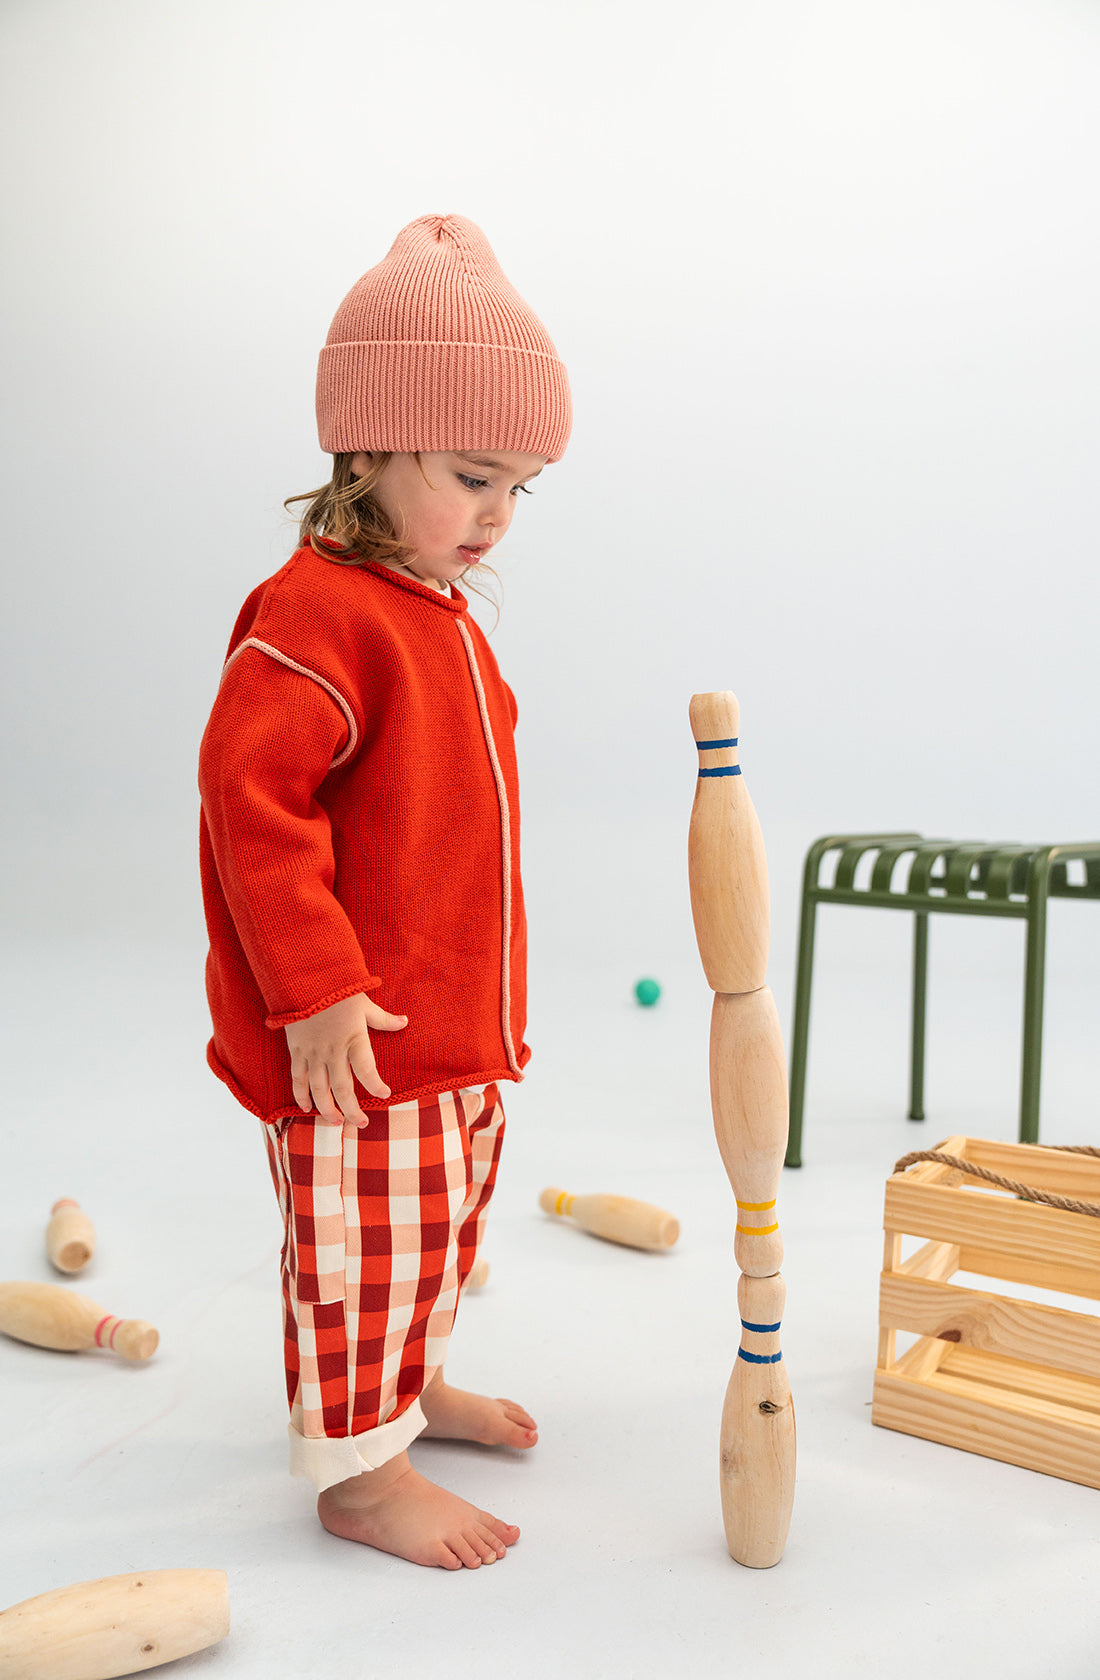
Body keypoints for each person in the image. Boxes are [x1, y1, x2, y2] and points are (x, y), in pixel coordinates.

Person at [197, 214, 571, 1570]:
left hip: (449, 1031)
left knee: (437, 1233)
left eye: (522, 489)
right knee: (363, 1256)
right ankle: (361, 1477)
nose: (497, 518)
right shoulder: (313, 615)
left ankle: (404, 1399)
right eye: (474, 476)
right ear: (367, 444)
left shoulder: (435, 613)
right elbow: (254, 817)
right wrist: (316, 992)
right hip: (357, 1041)